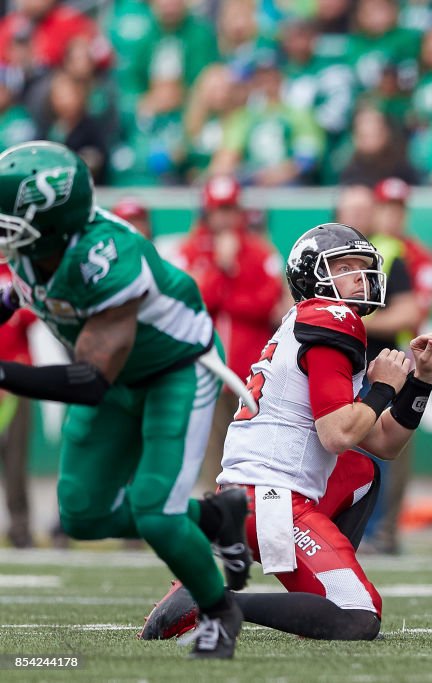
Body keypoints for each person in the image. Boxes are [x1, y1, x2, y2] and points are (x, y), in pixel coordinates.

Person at [0, 141, 251, 658]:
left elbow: (90, 380)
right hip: (118, 378)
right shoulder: (35, 251)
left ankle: (218, 609)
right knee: (83, 513)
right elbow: (13, 296)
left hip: (175, 370)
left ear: (50, 221)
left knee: (156, 514)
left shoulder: (106, 256)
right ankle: (215, 519)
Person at [138, 223, 432, 641]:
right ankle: (214, 600)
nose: (360, 274)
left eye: (362, 265)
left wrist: (420, 382)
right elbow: (337, 434)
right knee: (359, 618)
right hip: (272, 497)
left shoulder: (311, 323)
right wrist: (383, 388)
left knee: (362, 472)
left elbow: (383, 442)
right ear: (314, 276)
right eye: (346, 266)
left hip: (247, 495)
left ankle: (310, 585)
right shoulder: (332, 319)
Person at [177, 175, 283, 493]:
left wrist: (228, 290)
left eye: (229, 209)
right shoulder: (191, 250)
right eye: (217, 210)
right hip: (207, 367)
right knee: (211, 450)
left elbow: (266, 304)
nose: (223, 218)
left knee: (250, 449)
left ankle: (248, 515)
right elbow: (191, 301)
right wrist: (221, 269)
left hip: (250, 370)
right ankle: (215, 514)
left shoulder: (260, 252)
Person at [364, 177, 432, 554]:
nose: (390, 215)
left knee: (395, 445)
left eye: (397, 208)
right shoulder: (367, 248)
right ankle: (361, 527)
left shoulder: (417, 256)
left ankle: (388, 531)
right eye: (385, 207)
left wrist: (361, 322)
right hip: (364, 360)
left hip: (401, 360)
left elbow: (413, 312)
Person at [0, 260, 34, 548]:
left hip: (15, 380)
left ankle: (20, 526)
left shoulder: (19, 272)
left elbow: (33, 314)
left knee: (15, 460)